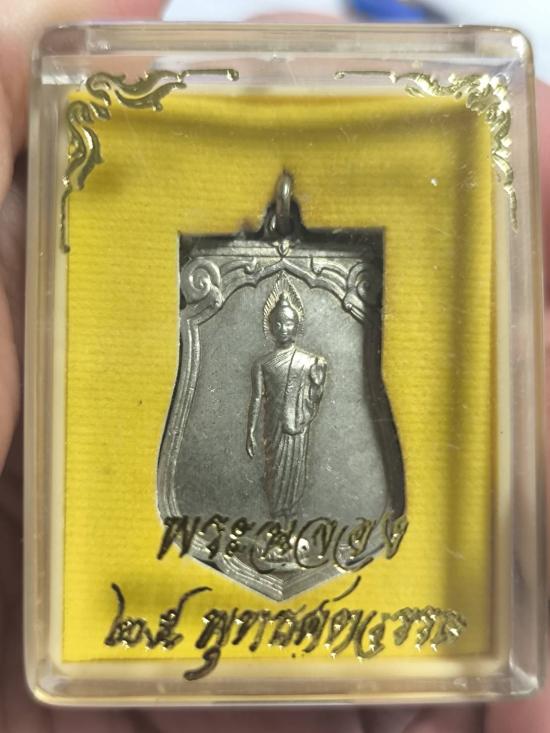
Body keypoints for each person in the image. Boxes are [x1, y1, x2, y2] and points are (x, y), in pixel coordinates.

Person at [0, 2, 549, 731]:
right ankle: (277, 532)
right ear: (274, 322)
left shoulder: (316, 352)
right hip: (265, 446)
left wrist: (308, 393)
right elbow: (258, 403)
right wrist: (255, 430)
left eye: (292, 320)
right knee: (271, 486)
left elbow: (324, 401)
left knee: (296, 486)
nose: (287, 323)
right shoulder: (263, 356)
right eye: (282, 320)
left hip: (306, 442)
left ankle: (295, 532)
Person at [246, 276, 327, 520]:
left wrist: (317, 382)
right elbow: (257, 398)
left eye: (289, 323)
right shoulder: (262, 363)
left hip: (296, 426)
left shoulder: (308, 361)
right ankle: (274, 516)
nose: (283, 328)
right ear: (270, 326)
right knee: (274, 472)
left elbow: (313, 398)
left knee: (294, 471)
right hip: (272, 428)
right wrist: (250, 431)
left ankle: (289, 513)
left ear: (297, 325)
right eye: (278, 323)